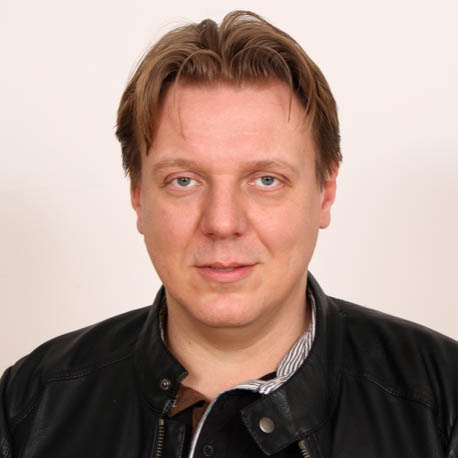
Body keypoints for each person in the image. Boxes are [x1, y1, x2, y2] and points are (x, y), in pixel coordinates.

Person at [1, 10, 456, 458]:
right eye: (184, 180)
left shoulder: (445, 402)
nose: (222, 223)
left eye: (265, 180)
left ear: (325, 192)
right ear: (138, 196)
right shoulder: (28, 405)